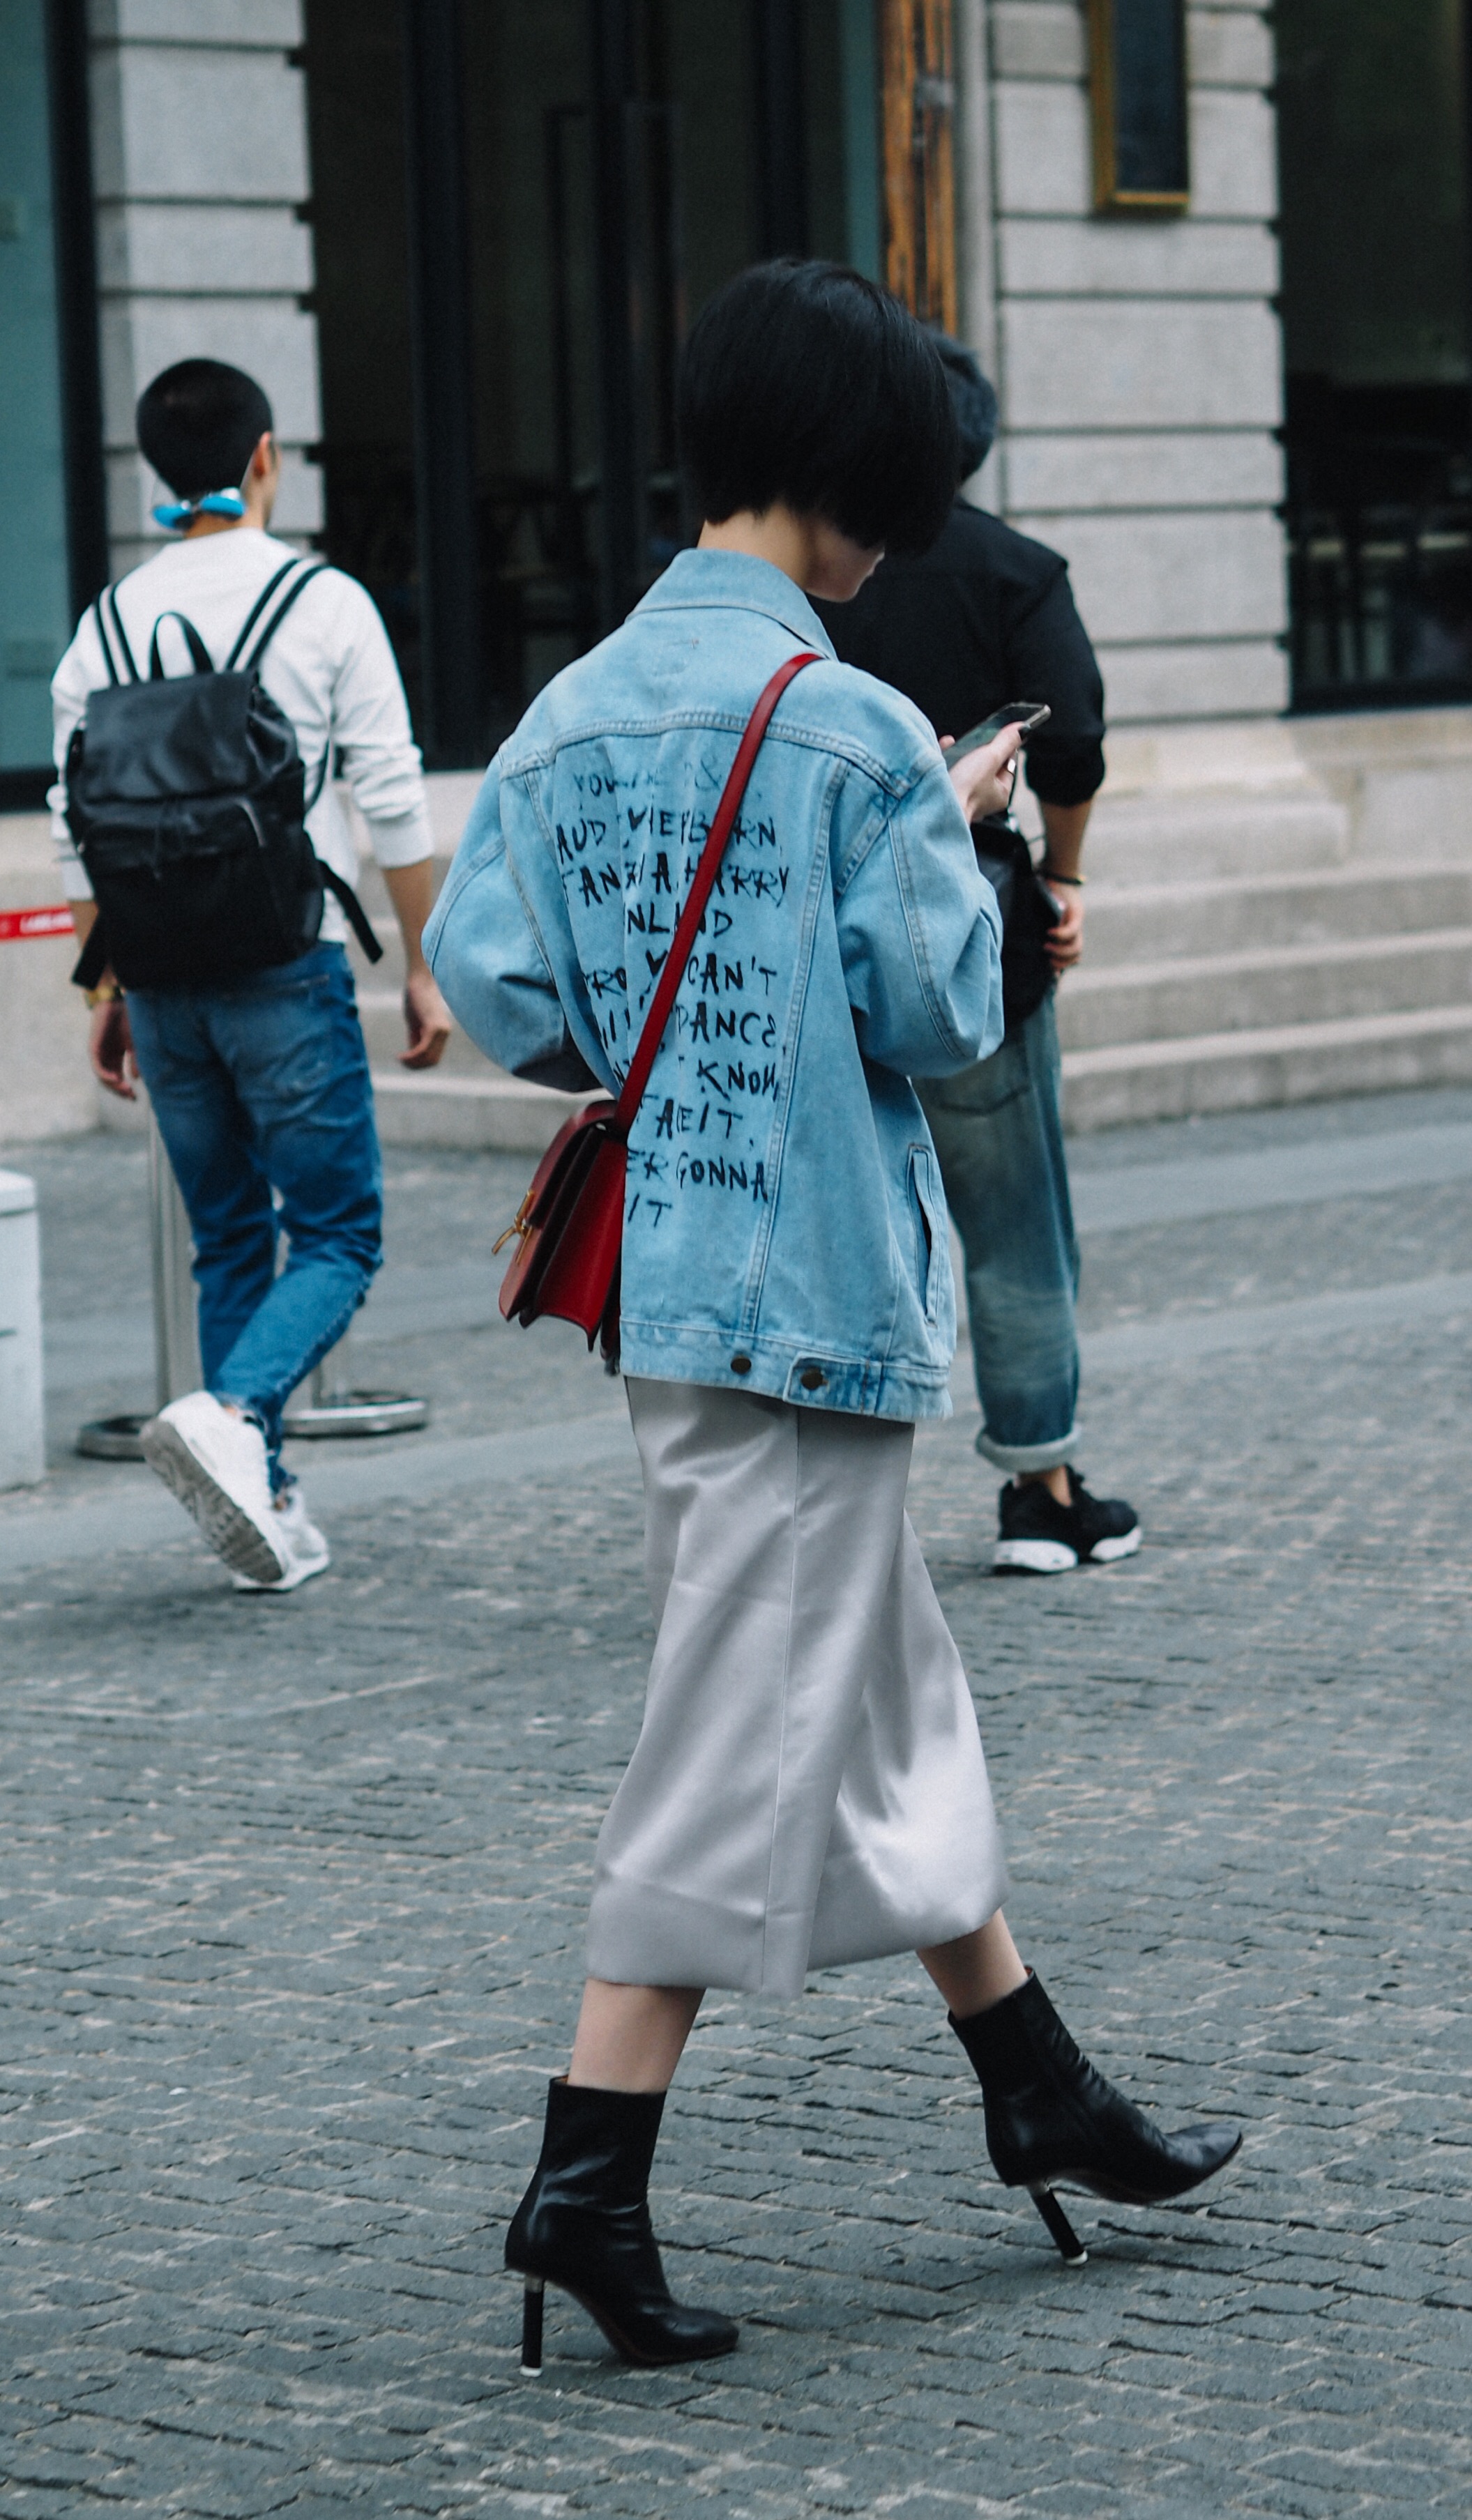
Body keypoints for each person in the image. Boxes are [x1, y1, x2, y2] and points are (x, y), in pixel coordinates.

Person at [425, 261, 1239, 2374]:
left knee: (887, 1697)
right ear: (849, 476)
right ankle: (585, 2174)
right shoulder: (860, 731)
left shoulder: (568, 711)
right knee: (736, 1727)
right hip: (821, 1293)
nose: (901, 542)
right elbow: (942, 1013)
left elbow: (501, 989)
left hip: (675, 1288)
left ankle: (1036, 2080)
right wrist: (955, 837)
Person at [50, 360, 450, 1591]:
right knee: (337, 1236)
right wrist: (423, 970)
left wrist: (105, 989)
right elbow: (392, 797)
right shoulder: (322, 604)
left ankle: (262, 1501)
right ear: (266, 457)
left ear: (152, 471)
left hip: (162, 978)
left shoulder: (104, 626)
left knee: (226, 1236)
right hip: (286, 964)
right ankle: (234, 1417)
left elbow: (72, 827)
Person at [818, 335, 1141, 1577]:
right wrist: (1066, 876)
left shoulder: (807, 581)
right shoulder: (1015, 570)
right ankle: (1040, 1486)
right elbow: (1076, 744)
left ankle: (839, 1504)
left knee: (841, 1228)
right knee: (1013, 1219)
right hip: (974, 940)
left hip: (821, 938)